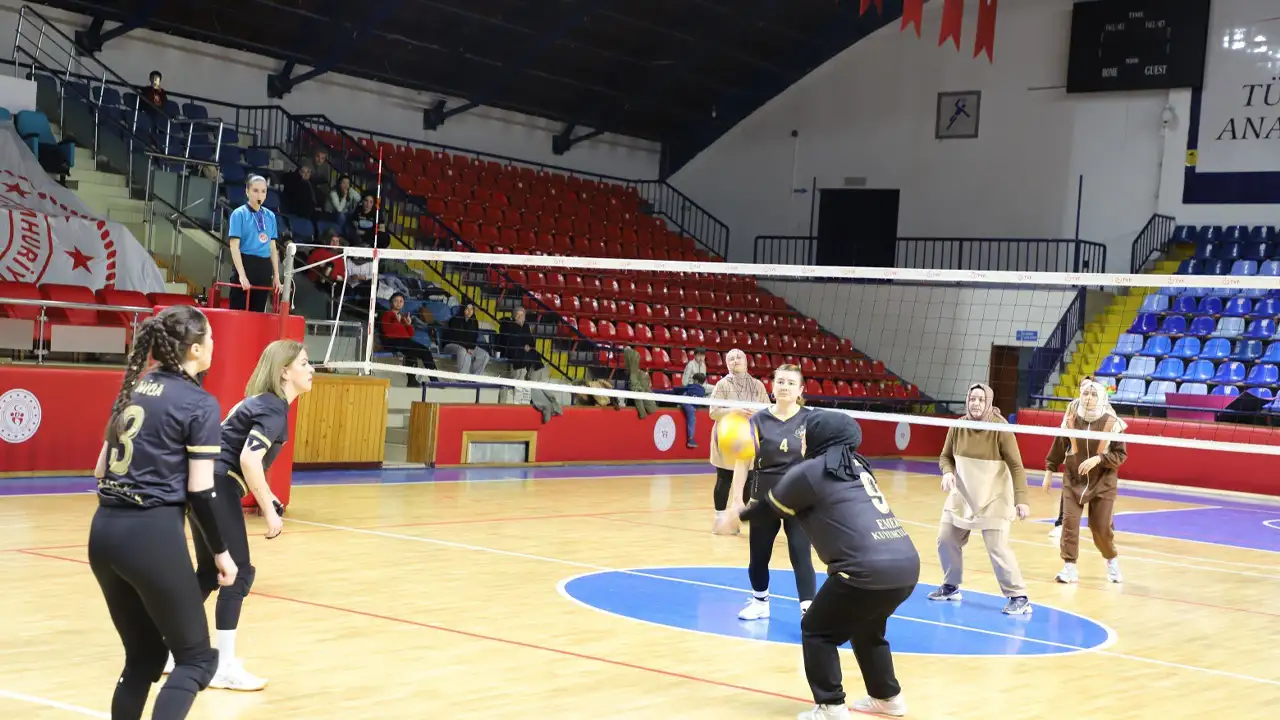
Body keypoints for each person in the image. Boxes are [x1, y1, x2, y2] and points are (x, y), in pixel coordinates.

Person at [88, 305, 237, 720]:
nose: (213, 345)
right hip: (150, 535)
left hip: (103, 534)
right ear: (193, 349)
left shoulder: (134, 389)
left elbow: (100, 469)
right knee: (196, 660)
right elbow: (201, 492)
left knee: (144, 657)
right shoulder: (199, 402)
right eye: (209, 338)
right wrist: (221, 553)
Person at [739, 410, 919, 720]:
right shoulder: (860, 465)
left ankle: (831, 706)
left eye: (805, 433)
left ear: (821, 436)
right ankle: (887, 698)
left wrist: (736, 515)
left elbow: (769, 509)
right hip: (906, 566)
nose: (802, 438)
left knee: (816, 630)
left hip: (864, 570)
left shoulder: (809, 471)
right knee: (867, 629)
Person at [168, 339, 314, 691]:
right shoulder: (273, 409)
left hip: (203, 485)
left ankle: (169, 653)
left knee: (208, 572)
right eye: (305, 363)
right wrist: (268, 511)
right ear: (284, 372)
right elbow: (248, 460)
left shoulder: (263, 403)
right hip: (217, 487)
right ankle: (224, 667)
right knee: (239, 573)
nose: (312, 370)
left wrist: (269, 495)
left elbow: (238, 454)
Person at [722, 364, 818, 621]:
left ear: (800, 389)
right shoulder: (757, 420)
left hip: (799, 501)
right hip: (764, 499)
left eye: (790, 383)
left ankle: (808, 611)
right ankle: (760, 603)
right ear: (772, 387)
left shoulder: (812, 419)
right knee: (759, 554)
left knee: (800, 553)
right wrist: (736, 501)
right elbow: (743, 461)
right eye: (780, 382)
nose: (784, 386)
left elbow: (819, 462)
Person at [928, 383, 1032, 615]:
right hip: (962, 495)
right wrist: (947, 472)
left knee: (997, 547)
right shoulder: (958, 426)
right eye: (972, 399)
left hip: (994, 496)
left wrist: (1021, 500)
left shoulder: (1000, 428)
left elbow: (1016, 466)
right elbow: (945, 456)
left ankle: (1019, 597)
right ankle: (951, 586)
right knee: (946, 539)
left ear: (988, 403)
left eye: (981, 400)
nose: (976, 404)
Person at [1043, 379, 1128, 584]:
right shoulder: (1071, 418)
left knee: (1100, 528)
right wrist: (1049, 469)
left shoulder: (1111, 422)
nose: (1088, 398)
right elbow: (1059, 444)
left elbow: (1120, 455)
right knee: (1069, 524)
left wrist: (1099, 459)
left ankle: (1111, 559)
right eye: (1085, 394)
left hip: (1103, 481)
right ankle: (1069, 567)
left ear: (1101, 398)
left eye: (1093, 394)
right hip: (1073, 479)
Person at [708, 348, 769, 533]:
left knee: (748, 479)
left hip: (749, 437)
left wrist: (754, 413)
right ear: (727, 364)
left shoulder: (757, 385)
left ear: (746, 361)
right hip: (726, 437)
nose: (735, 361)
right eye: (731, 358)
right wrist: (734, 411)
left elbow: (767, 410)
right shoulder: (721, 385)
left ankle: (736, 518)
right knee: (724, 478)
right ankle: (719, 519)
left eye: (739, 357)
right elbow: (713, 412)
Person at [1048, 375, 1095, 541]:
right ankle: (1061, 524)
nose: (1086, 390)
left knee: (1099, 492)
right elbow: (1063, 434)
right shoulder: (1073, 406)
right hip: (1074, 455)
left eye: (1089, 388)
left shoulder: (1103, 408)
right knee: (1068, 491)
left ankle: (1104, 526)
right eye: (1083, 387)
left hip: (1094, 456)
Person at [227, 175, 280, 313]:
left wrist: (276, 275)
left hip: (264, 267)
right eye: (255, 190)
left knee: (257, 313)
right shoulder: (239, 214)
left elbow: (273, 248)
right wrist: (242, 275)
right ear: (247, 191)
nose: (259, 194)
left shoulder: (270, 216)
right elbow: (234, 246)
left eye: (263, 191)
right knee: (238, 312)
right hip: (246, 262)